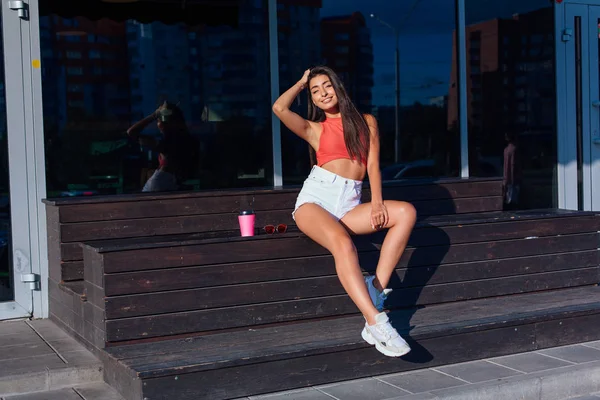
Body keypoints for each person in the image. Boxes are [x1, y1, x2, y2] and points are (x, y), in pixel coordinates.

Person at [272, 66, 417, 357]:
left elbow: (373, 165)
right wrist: (302, 82)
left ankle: (375, 288)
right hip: (315, 201)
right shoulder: (315, 129)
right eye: (316, 91)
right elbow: (279, 107)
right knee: (342, 243)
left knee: (406, 213)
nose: (323, 93)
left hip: (350, 201)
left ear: (339, 88)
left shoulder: (367, 122)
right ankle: (376, 321)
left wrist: (377, 201)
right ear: (312, 98)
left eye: (327, 86)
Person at [127, 101, 198, 192]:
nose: (158, 124)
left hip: (160, 182)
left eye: (159, 121)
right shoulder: (186, 140)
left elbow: (131, 132)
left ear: (165, 124)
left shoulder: (166, 143)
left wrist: (154, 115)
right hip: (173, 183)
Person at [503, 131, 521, 210]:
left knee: (509, 198)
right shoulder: (513, 149)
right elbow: (513, 165)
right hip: (513, 179)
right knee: (513, 199)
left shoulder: (506, 150)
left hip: (507, 178)